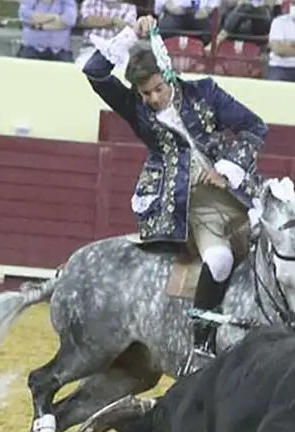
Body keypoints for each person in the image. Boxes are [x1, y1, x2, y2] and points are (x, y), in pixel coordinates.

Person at [83, 15, 270, 375]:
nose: (153, 99)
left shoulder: (205, 92)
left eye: (157, 89)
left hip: (237, 190)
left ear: (168, 76)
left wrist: (230, 166)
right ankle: (203, 341)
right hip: (189, 204)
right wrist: (129, 34)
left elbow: (254, 126)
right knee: (218, 262)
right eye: (145, 93)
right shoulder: (136, 109)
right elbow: (94, 72)